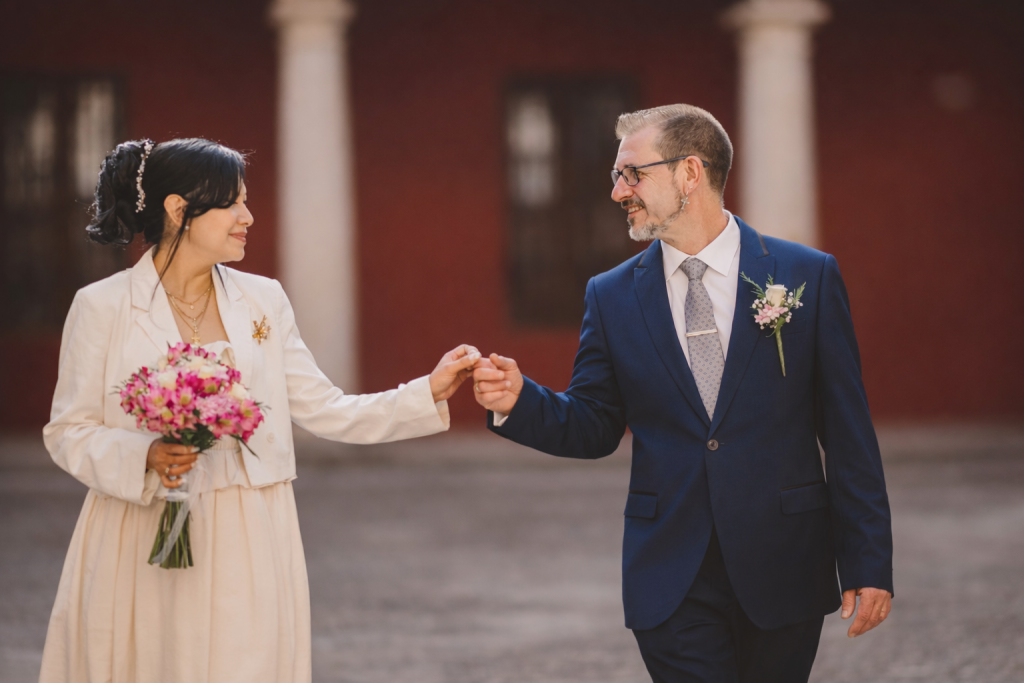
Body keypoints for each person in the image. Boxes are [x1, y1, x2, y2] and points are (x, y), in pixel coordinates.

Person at [472, 104, 894, 682]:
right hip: (670, 573)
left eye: (633, 174)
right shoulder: (612, 294)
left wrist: (868, 560)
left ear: (690, 173)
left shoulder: (806, 276)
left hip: (783, 562)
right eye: (617, 176)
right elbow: (595, 424)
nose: (619, 191)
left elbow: (847, 433)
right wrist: (519, 401)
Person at [39, 137, 479, 683]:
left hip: (252, 528)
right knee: (149, 661)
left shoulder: (264, 300)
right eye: (232, 203)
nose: (248, 216)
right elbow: (68, 430)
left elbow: (326, 408)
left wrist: (427, 391)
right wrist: (144, 453)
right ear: (178, 210)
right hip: (140, 524)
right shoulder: (101, 306)